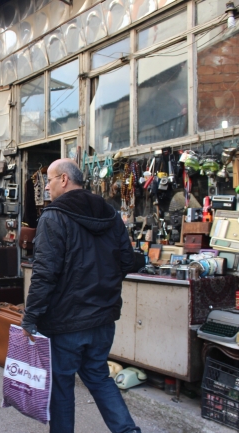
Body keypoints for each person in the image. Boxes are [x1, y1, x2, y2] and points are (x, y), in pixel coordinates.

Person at [21, 159, 139, 433]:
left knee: (62, 386)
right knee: (99, 376)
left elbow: (44, 274)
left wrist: (30, 317)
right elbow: (127, 261)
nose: (46, 187)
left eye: (49, 180)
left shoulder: (54, 216)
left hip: (66, 322)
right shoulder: (109, 213)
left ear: (64, 179)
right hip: (102, 319)